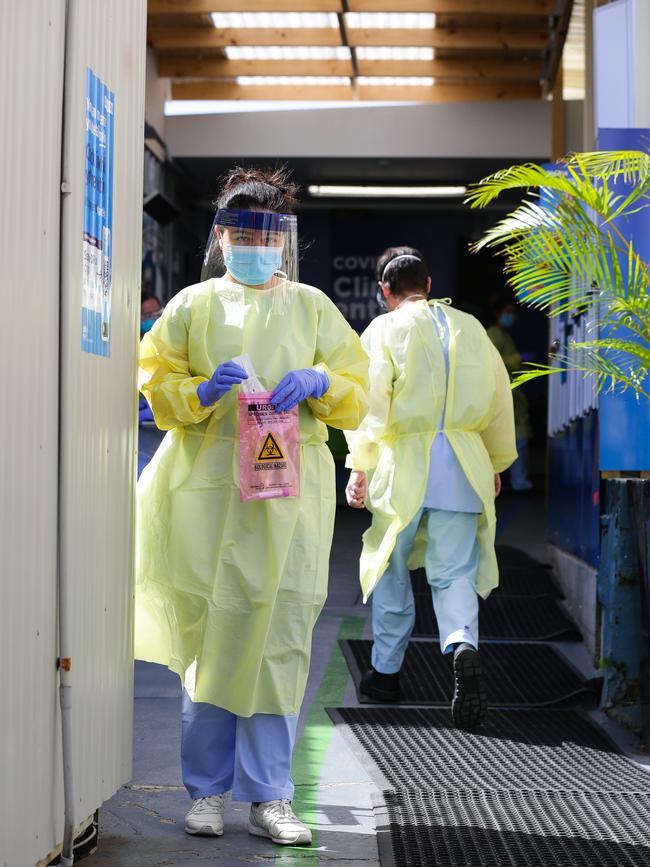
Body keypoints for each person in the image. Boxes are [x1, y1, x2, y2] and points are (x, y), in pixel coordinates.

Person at [135, 167, 368, 846]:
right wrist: (202, 391)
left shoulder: (312, 307)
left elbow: (355, 385)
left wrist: (321, 378)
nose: (251, 246)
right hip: (209, 492)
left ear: (282, 239)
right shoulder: (193, 305)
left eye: (263, 234)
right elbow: (156, 378)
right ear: (222, 235)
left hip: (288, 499)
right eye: (240, 233)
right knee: (215, 635)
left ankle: (270, 795)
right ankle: (206, 791)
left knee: (280, 638)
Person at [344, 247, 516, 729]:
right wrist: (495, 461)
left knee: (391, 569)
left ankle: (385, 674)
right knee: (454, 571)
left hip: (404, 467)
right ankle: (462, 643)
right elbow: (500, 399)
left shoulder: (383, 330)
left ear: (385, 290)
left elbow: (371, 403)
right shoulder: (471, 329)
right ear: (430, 282)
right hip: (464, 464)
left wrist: (359, 464)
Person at [487, 296, 533, 492]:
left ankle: (518, 480)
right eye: (507, 312)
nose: (510, 317)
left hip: (512, 395)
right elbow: (492, 362)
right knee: (515, 442)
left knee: (519, 441)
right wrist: (518, 359)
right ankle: (517, 481)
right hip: (501, 394)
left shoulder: (504, 336)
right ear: (498, 314)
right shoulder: (493, 335)